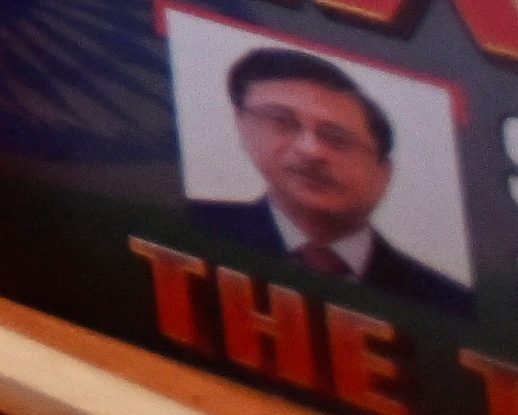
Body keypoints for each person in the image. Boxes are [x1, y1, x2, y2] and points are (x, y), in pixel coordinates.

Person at [191, 50, 467, 312]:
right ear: (243, 128)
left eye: (337, 139)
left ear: (384, 175)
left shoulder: (447, 303)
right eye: (284, 122)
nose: (311, 151)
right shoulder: (191, 225)